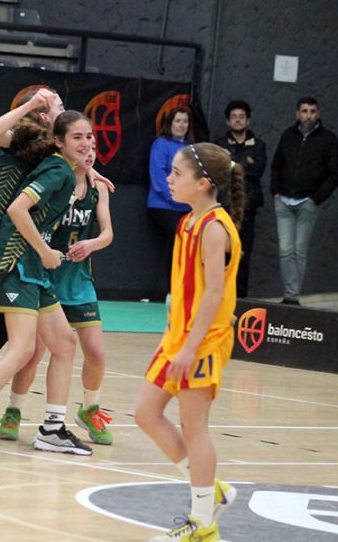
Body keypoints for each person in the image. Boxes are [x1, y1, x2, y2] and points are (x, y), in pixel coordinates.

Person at [0, 110, 94, 456]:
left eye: (89, 137)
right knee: (19, 346)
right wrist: (46, 250)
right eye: (78, 138)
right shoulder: (56, 171)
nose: (86, 144)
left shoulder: (62, 168)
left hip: (33, 267)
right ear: (58, 141)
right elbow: (17, 210)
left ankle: (52, 427)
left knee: (64, 343)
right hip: (14, 262)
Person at [135, 142, 243, 541]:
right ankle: (210, 490)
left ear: (202, 184)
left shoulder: (215, 227)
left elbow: (214, 294)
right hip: (178, 337)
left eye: (176, 174)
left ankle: (203, 524)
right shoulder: (189, 221)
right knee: (146, 413)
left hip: (201, 342)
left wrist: (189, 347)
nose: (168, 179)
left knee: (194, 427)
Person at [0, 138, 115, 445]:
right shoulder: (56, 180)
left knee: (96, 352)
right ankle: (14, 410)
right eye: (83, 147)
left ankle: (89, 408)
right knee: (32, 352)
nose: (89, 153)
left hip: (77, 278)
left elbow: (108, 233)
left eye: (93, 150)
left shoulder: (97, 187)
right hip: (45, 270)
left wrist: (93, 244)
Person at [270, 97, 338, 305]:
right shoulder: (288, 136)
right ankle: (290, 294)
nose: (308, 115)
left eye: (312, 111)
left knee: (299, 251)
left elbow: (335, 174)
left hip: (307, 203)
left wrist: (316, 198)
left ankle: (291, 297)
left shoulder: (328, 139)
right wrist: (275, 191)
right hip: (283, 200)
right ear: (297, 114)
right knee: (285, 250)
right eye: (304, 111)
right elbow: (276, 165)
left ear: (317, 114)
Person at [214, 100, 266, 297]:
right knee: (220, 252)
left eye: (241, 116)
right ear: (228, 122)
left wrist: (233, 161)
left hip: (248, 207)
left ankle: (240, 298)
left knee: (242, 253)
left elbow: (258, 170)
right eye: (234, 117)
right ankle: (219, 295)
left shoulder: (259, 145)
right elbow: (221, 169)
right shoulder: (219, 143)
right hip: (224, 205)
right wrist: (245, 163)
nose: (238, 120)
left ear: (248, 120)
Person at [148, 107, 193, 294]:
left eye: (185, 121)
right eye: (177, 121)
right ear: (169, 123)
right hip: (162, 205)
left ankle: (182, 289)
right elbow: (159, 178)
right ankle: (173, 291)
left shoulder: (190, 148)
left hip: (185, 207)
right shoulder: (161, 144)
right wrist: (177, 199)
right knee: (178, 240)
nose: (181, 125)